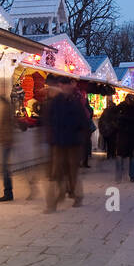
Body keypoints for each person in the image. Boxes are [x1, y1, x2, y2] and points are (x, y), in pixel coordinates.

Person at [45, 78, 86, 211]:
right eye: (62, 85)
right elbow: (50, 121)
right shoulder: (56, 102)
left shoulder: (76, 102)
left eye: (67, 85)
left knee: (72, 172)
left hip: (73, 142)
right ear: (60, 86)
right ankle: (53, 202)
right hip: (59, 142)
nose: (65, 87)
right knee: (56, 173)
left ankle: (77, 195)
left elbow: (83, 123)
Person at [0, 78, 21, 201]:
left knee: (4, 167)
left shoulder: (7, 104)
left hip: (7, 140)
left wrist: (6, 138)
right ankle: (9, 192)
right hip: (5, 140)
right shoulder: (4, 103)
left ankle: (8, 193)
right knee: (5, 166)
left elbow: (8, 123)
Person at [114, 95, 134, 182]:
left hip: (127, 134)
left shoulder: (125, 107)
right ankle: (130, 176)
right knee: (129, 156)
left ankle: (121, 176)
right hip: (130, 134)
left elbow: (115, 114)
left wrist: (121, 119)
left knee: (122, 156)